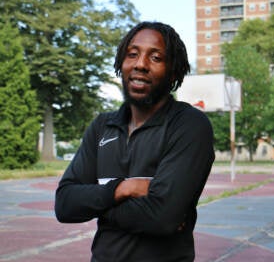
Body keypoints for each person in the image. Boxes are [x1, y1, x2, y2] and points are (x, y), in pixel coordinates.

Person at [55, 21, 215, 262]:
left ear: (173, 72)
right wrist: (123, 189)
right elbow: (65, 204)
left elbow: (162, 217)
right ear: (122, 63)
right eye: (132, 54)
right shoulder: (102, 126)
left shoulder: (189, 125)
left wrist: (97, 207)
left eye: (156, 57)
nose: (141, 64)